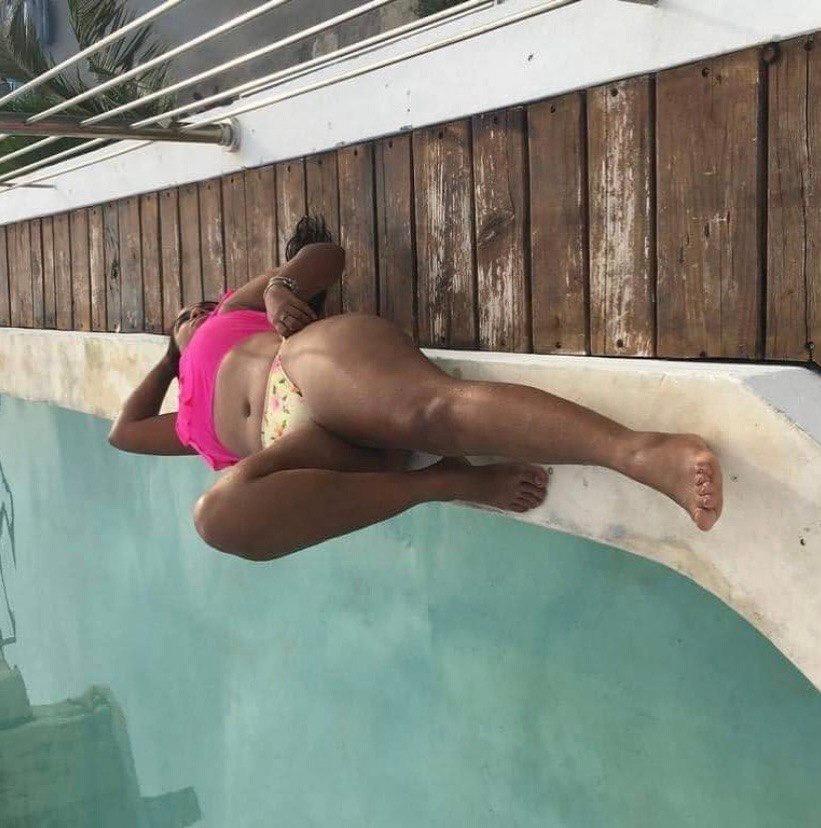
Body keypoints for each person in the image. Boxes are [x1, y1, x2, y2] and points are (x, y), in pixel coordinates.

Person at [109, 216, 723, 562]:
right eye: (183, 318)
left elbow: (327, 255)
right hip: (311, 454)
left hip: (298, 369)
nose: (192, 315)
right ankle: (443, 483)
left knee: (430, 410)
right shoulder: (187, 429)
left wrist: (279, 288)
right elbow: (124, 434)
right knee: (216, 520)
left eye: (195, 309)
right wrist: (170, 356)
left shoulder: (229, 313)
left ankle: (639, 452)